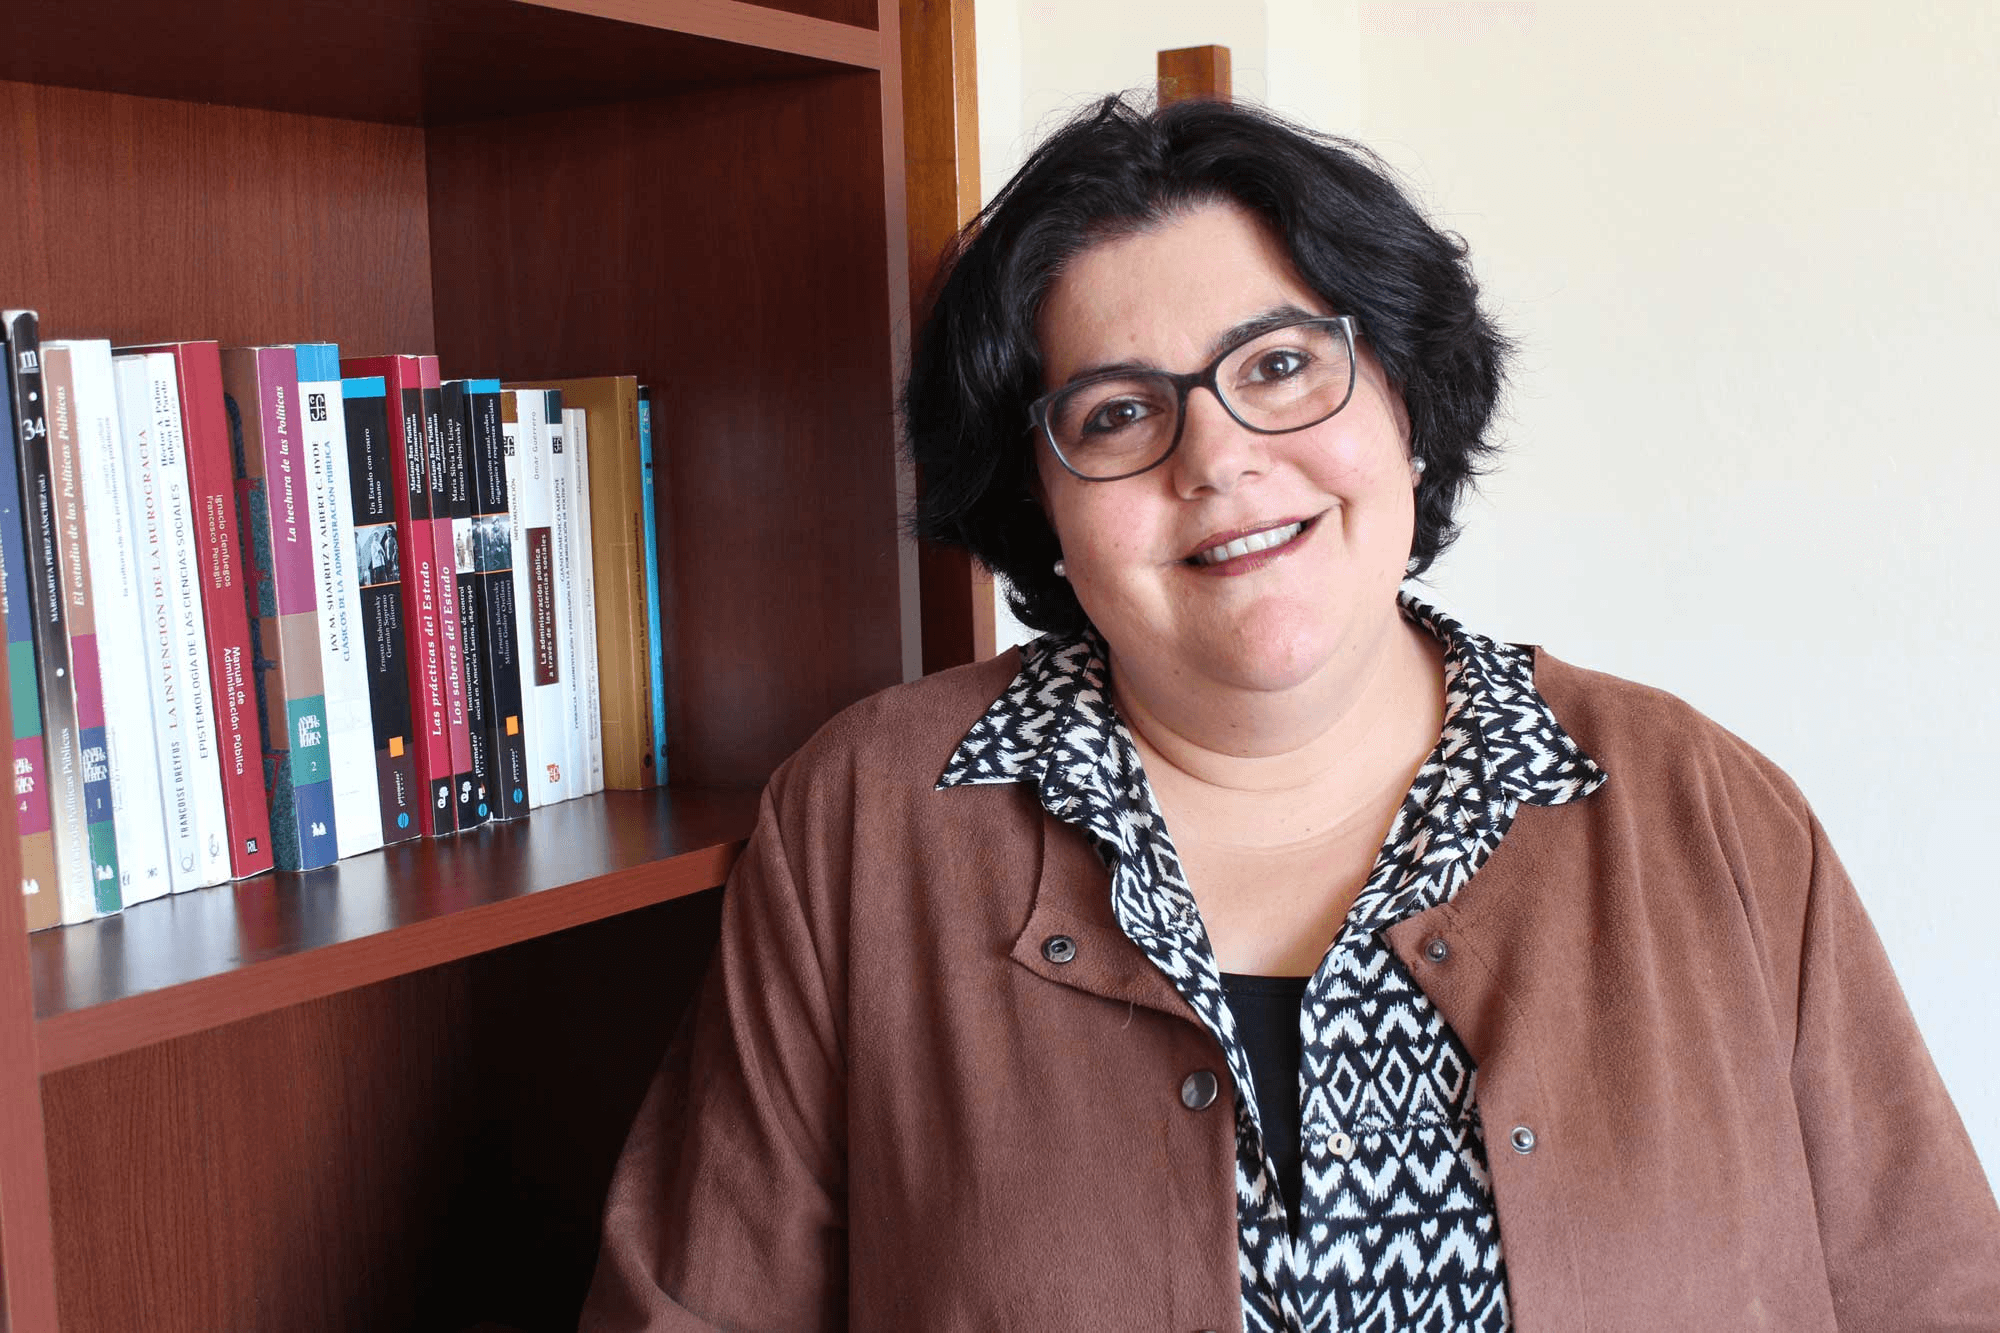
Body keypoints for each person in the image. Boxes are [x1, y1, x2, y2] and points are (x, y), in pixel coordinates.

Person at [581, 95, 2000, 1331]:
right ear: (1040, 501)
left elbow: (1930, 1293)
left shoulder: (1696, 803)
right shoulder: (870, 822)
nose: (1218, 459)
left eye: (1277, 366)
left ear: (1403, 404)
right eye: (1118, 412)